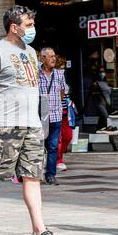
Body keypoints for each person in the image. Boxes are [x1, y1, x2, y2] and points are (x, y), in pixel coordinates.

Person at [0, 5, 69, 235]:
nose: (33, 29)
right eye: (28, 25)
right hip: (6, 125)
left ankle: (39, 231)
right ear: (14, 27)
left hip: (32, 126)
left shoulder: (32, 52)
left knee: (32, 177)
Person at [38, 47, 69, 185]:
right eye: (50, 56)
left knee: (53, 146)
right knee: (37, 146)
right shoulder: (35, 73)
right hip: (39, 116)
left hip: (55, 115)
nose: (53, 59)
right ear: (42, 58)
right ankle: (35, 174)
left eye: (54, 56)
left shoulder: (59, 74)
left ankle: (50, 175)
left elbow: (63, 91)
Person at [57, 92, 74, 172]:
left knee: (68, 136)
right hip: (54, 112)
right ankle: (58, 160)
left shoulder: (62, 80)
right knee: (57, 139)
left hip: (66, 113)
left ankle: (56, 158)